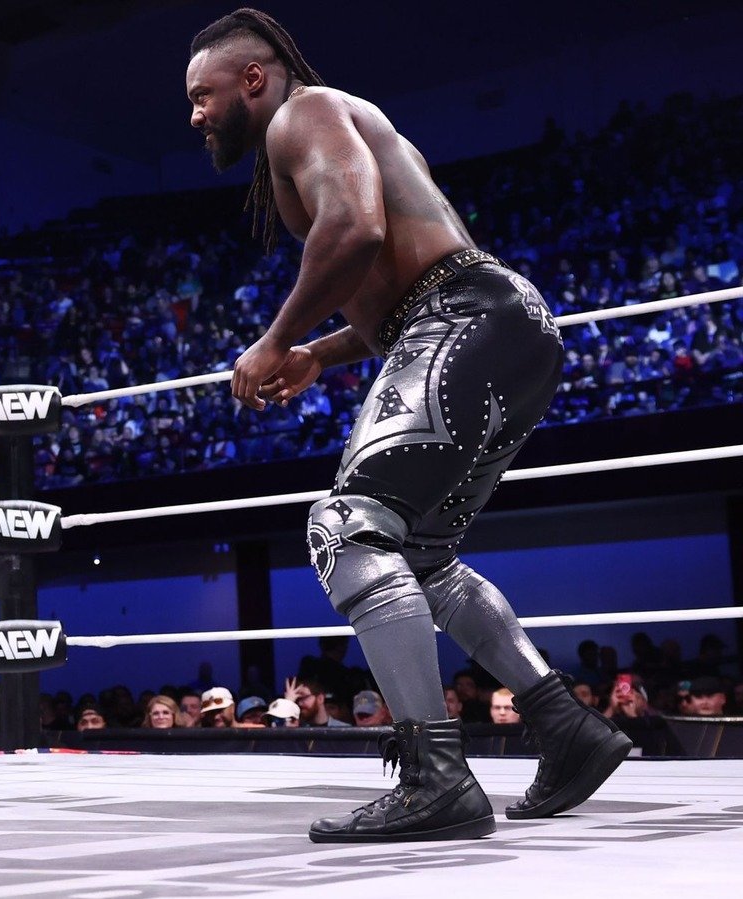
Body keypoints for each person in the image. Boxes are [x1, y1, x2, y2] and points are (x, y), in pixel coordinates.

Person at [186, 8, 629, 842]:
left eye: (203, 95)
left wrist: (274, 338)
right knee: (418, 555)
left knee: (347, 525)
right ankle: (565, 726)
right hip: (504, 321)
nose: (196, 115)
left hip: (462, 317)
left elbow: (356, 230)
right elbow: (406, 272)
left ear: (253, 78)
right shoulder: (346, 122)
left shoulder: (302, 113)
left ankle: (435, 774)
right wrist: (319, 352)